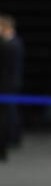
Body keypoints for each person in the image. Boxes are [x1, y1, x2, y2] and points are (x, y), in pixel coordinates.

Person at [0, 13, 24, 160]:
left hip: (6, 87)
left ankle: (6, 142)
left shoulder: (8, 44)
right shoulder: (15, 42)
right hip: (10, 85)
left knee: (6, 116)